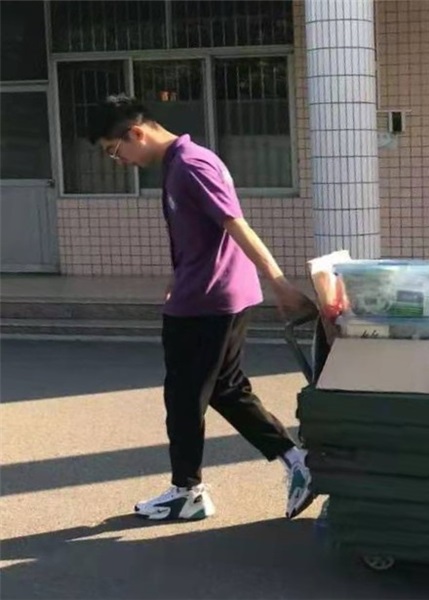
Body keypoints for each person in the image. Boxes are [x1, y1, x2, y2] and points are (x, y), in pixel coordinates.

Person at [88, 94, 318, 521]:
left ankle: (187, 491)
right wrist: (177, 278)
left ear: (136, 133)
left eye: (114, 151)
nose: (119, 161)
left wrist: (281, 284)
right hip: (207, 294)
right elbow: (199, 235)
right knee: (225, 389)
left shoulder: (191, 165)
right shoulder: (180, 162)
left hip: (207, 302)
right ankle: (295, 460)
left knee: (184, 397)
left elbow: (235, 224)